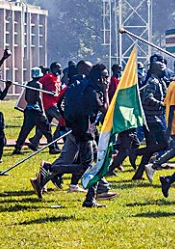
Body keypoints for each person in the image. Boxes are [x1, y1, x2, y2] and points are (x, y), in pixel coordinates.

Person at [34, 63, 115, 208]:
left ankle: (91, 198)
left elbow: (61, 102)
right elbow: (106, 110)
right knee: (88, 166)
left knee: (94, 164)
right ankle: (51, 169)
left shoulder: (84, 86)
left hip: (81, 129)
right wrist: (106, 90)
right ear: (99, 78)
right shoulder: (92, 91)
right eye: (105, 77)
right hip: (84, 132)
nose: (107, 79)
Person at [134, 60, 169, 181]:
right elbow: (147, 99)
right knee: (165, 144)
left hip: (153, 117)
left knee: (151, 148)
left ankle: (138, 175)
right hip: (152, 118)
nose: (164, 70)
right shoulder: (153, 82)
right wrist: (162, 104)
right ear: (155, 70)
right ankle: (135, 153)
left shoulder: (159, 81)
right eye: (161, 68)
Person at [14, 67, 53, 153]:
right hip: (36, 110)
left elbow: (27, 97)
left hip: (28, 109)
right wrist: (42, 112)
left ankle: (18, 147)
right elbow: (39, 98)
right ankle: (52, 147)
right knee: (47, 129)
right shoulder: (38, 84)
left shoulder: (29, 83)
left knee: (25, 130)